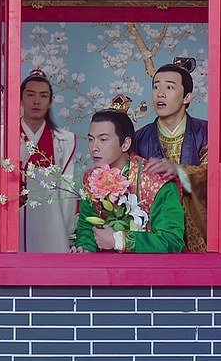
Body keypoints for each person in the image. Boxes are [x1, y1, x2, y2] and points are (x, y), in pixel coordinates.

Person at [72, 95, 185, 253]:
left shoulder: (157, 181)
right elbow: (87, 228)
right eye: (91, 139)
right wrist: (84, 248)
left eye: (103, 139)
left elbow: (172, 240)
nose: (94, 147)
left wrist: (119, 240)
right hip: (104, 266)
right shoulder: (92, 178)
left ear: (125, 144)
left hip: (150, 266)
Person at [135, 57, 208, 252]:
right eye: (156, 87)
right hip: (156, 226)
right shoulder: (139, 138)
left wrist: (180, 171)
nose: (160, 93)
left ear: (187, 97)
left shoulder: (206, 133)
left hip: (199, 223)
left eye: (169, 87)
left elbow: (214, 175)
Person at [19, 69, 78, 252]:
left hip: (51, 221)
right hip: (13, 220)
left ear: (50, 102)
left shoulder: (64, 140)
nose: (36, 101)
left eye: (43, 96)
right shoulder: (3, 136)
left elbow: (67, 189)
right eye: (30, 95)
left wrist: (65, 231)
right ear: (21, 99)